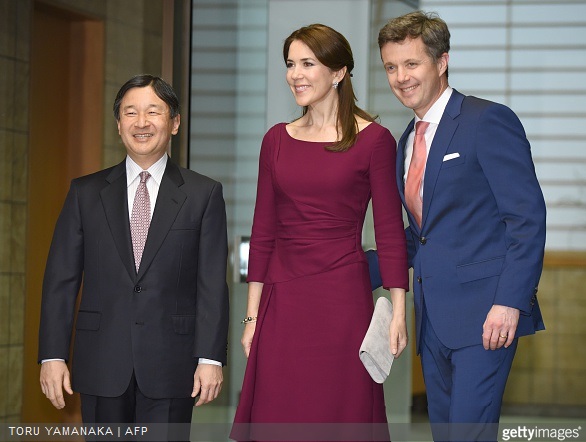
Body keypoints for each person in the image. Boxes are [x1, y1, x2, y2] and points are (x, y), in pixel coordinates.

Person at [371, 11, 546, 441]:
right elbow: (420, 236)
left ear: (442, 61)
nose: (401, 77)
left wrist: (510, 302)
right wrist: (345, 271)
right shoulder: (405, 140)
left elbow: (527, 220)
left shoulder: (487, 120)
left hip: (488, 316)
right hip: (432, 318)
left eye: (412, 64)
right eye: (391, 67)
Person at [231, 24, 409, 441]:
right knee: (279, 416)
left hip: (342, 302)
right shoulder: (275, 140)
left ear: (338, 71)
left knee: (338, 415)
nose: (296, 74)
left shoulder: (375, 141)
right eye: (290, 64)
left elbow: (388, 230)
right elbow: (263, 233)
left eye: (308, 63)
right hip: (282, 301)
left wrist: (398, 311)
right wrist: (251, 317)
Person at [38, 75, 230, 438]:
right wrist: (52, 355)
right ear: (119, 124)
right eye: (131, 113)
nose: (141, 123)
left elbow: (210, 284)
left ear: (174, 123)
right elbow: (60, 280)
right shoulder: (85, 193)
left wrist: (210, 357)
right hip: (100, 363)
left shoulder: (203, 194)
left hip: (172, 366)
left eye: (153, 112)